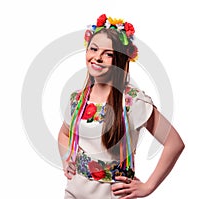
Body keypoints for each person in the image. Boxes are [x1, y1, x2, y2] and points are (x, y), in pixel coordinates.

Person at [58, 14, 185, 199]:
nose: (97, 58)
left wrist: (148, 187)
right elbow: (64, 133)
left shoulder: (133, 101)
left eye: (108, 54)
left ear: (120, 60)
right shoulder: (78, 100)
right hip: (74, 193)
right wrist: (66, 160)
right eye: (93, 49)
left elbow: (174, 143)